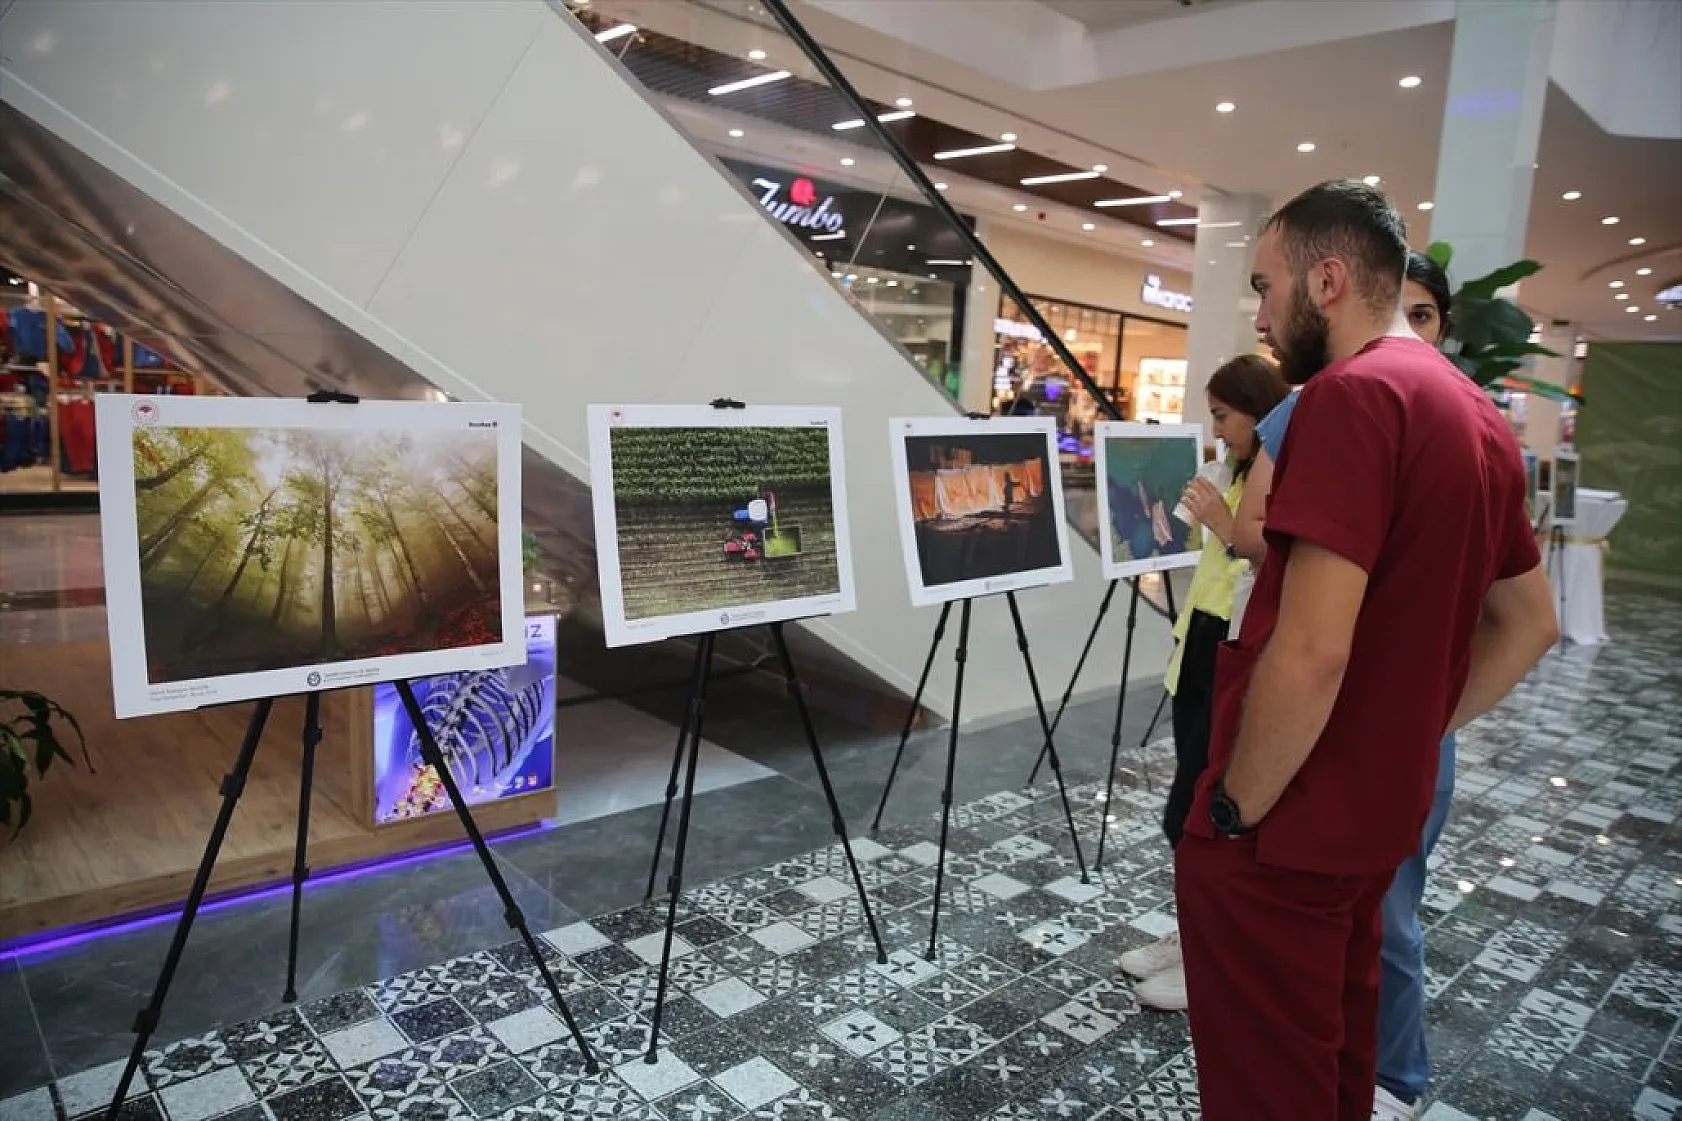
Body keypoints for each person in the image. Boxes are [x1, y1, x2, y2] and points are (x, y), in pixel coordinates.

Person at [1174, 180, 1558, 1121]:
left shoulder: (1351, 397)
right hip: (1376, 809)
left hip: (1288, 819)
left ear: (1330, 280)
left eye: (1267, 287)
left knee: (1270, 1079)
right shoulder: (1473, 411)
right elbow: (1530, 621)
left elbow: (1311, 649)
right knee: (1333, 1060)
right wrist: (1411, 725)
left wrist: (1232, 806)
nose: (1260, 315)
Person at [1238, 251, 1461, 1121]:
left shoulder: (1407, 418)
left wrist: (1235, 810)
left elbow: (1315, 647)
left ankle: (1390, 1078)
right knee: (1344, 925)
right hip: (1343, 733)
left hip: (1366, 735)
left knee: (1382, 917)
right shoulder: (1323, 412)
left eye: (1426, 316)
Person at [1117, 354, 1289, 1011]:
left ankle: (1207, 951)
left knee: (1199, 812)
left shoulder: (1278, 472)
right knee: (1188, 809)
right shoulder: (1230, 468)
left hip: (1240, 651)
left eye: (1223, 415)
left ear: (1258, 410)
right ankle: (1194, 936)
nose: (1215, 429)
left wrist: (1223, 520)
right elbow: (1170, 537)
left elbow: (1272, 555)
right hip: (1201, 647)